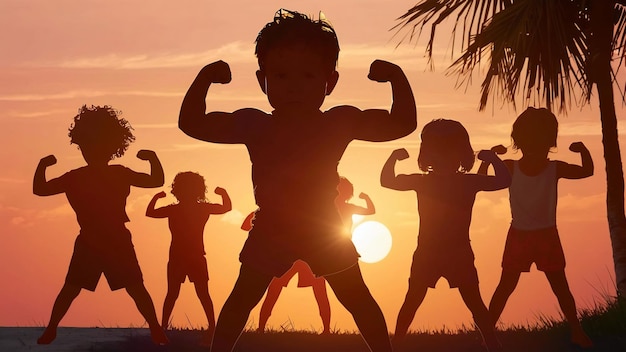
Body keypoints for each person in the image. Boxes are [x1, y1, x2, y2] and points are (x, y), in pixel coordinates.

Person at [178, 9, 416, 352]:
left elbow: (401, 123)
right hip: (271, 226)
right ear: (264, 82)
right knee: (242, 300)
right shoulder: (254, 124)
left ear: (329, 82)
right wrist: (205, 77)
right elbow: (193, 123)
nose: (294, 87)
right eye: (282, 76)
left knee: (357, 299)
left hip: (323, 226)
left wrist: (396, 77)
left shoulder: (338, 122)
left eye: (307, 76)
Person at [33, 105, 168, 345]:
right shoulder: (79, 177)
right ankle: (51, 328)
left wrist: (153, 159)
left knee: (134, 288)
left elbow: (156, 181)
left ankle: (156, 328)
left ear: (112, 147)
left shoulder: (112, 174)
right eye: (88, 146)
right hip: (93, 240)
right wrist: (42, 165)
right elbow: (40, 190)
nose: (93, 150)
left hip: (113, 239)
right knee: (74, 288)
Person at [381, 119, 510, 351]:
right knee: (414, 299)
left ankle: (492, 343)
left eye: (449, 152)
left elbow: (504, 180)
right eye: (437, 152)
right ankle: (396, 344)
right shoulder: (427, 182)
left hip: (455, 252)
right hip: (430, 253)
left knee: (472, 301)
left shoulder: (462, 182)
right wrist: (392, 158)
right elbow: (387, 181)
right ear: (428, 156)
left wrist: (493, 159)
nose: (442, 158)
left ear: (460, 155)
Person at [479, 107, 594, 348]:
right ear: (520, 142)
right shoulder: (511, 167)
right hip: (521, 235)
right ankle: (487, 334)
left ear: (548, 142)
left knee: (559, 287)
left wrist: (583, 150)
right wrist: (490, 157)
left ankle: (576, 330)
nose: (535, 147)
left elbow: (587, 171)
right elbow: (482, 181)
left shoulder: (554, 168)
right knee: (507, 287)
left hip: (545, 235)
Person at [145, 172, 232, 344]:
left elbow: (151, 212)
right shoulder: (199, 208)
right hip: (189, 256)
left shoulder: (176, 209)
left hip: (187, 256)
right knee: (193, 293)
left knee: (182, 293)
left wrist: (156, 197)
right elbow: (226, 207)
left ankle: (167, 327)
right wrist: (223, 194)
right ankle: (209, 326)